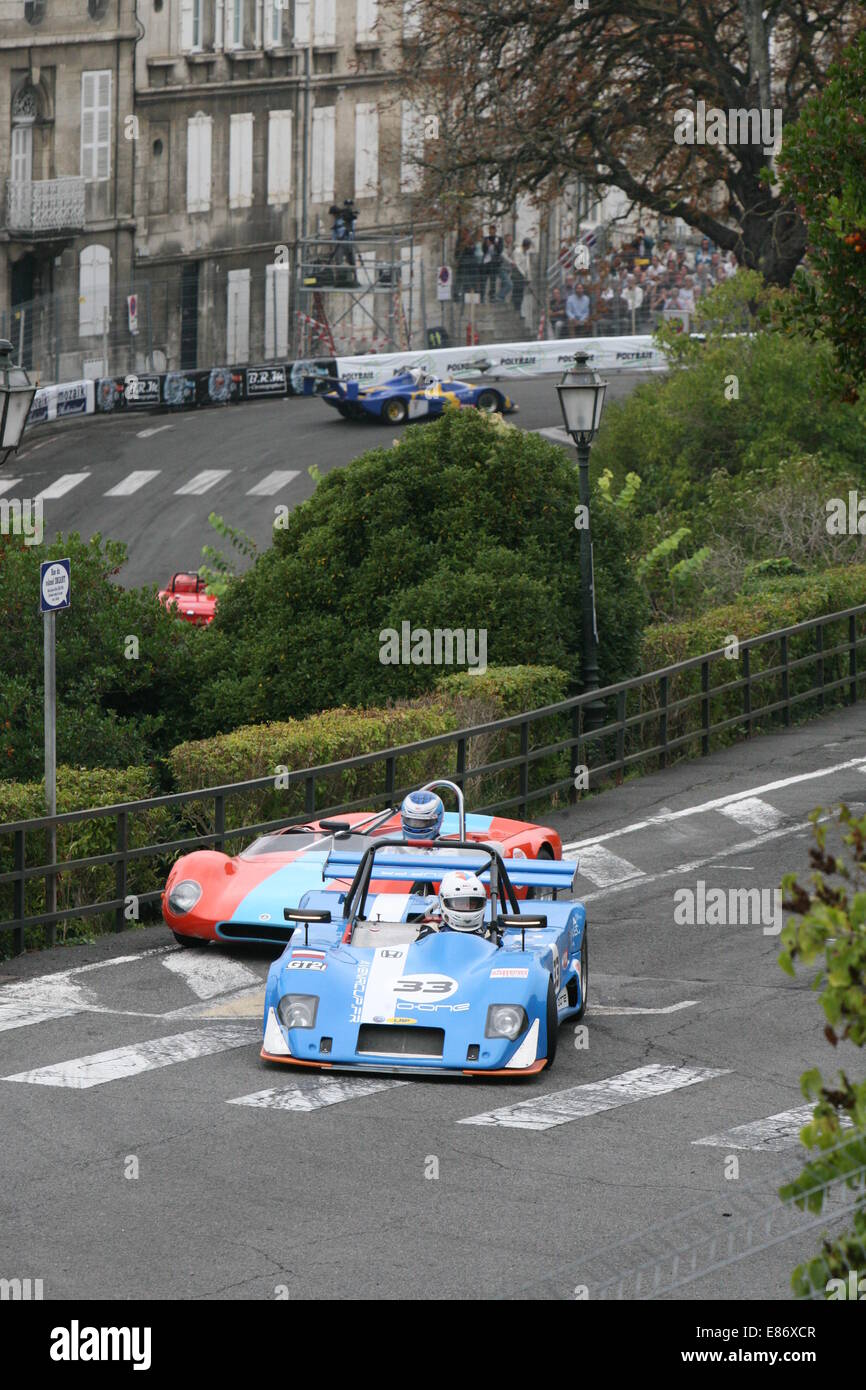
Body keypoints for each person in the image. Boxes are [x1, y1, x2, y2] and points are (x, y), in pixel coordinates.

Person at [480, 225, 503, 303]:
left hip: (494, 263)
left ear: (495, 231)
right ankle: (482, 296)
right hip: (486, 262)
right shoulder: (486, 239)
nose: (491, 232)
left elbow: (500, 250)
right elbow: (483, 250)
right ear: (489, 231)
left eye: (493, 230)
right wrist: (487, 245)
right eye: (490, 231)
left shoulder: (499, 239)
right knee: (484, 280)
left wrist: (495, 244)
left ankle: (492, 296)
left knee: (493, 280)